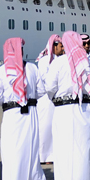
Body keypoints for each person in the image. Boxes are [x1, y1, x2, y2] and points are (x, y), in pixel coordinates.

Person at [44, 32, 90, 180]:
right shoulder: (88, 62)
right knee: (85, 147)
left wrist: (54, 98)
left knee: (65, 147)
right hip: (85, 109)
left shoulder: (59, 62)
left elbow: (49, 87)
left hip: (64, 111)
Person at [0, 37, 46, 180]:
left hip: (11, 115)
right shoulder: (32, 67)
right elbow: (42, 91)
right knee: (30, 151)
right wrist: (28, 98)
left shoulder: (1, 71)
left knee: (12, 152)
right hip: (30, 113)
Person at [34, 35, 60, 165]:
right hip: (46, 97)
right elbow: (44, 78)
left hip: (54, 97)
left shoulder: (56, 59)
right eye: (60, 46)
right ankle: (42, 155)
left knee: (52, 126)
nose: (62, 49)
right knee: (45, 126)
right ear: (54, 46)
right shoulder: (45, 60)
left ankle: (50, 154)